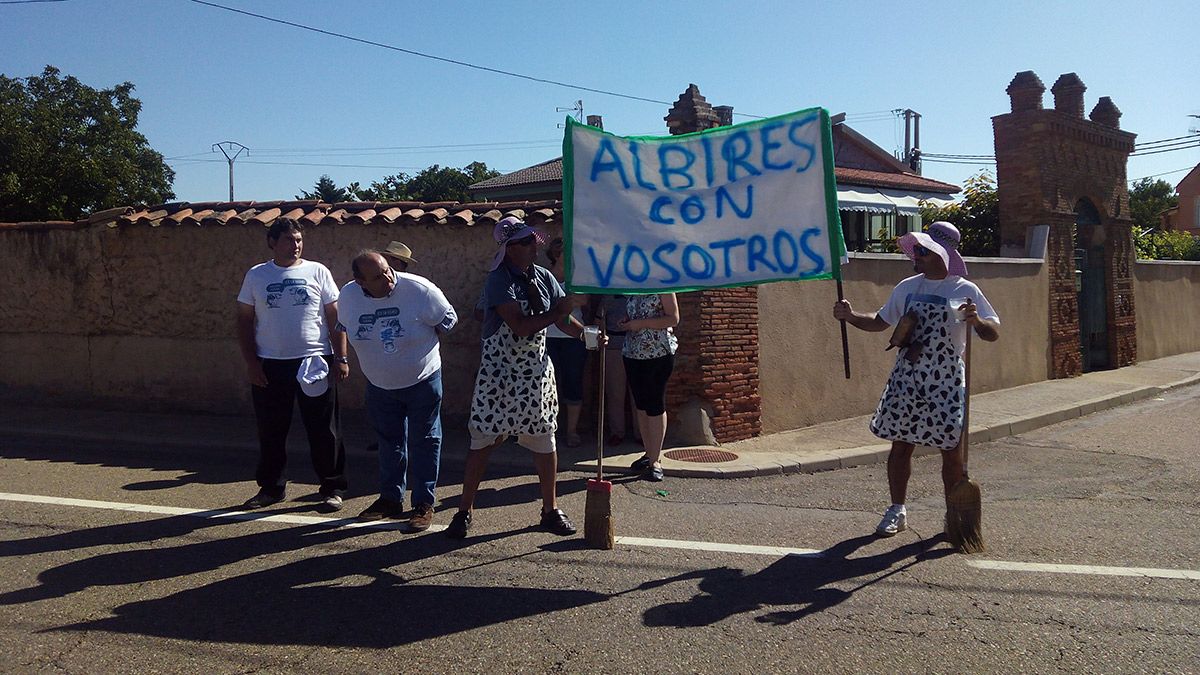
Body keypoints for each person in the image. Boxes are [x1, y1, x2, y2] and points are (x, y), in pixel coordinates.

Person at [832, 222, 1000, 537]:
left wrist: (976, 320)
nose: (916, 256)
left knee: (951, 450)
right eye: (917, 250)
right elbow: (880, 322)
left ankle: (955, 516)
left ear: (941, 254)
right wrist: (852, 316)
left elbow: (992, 333)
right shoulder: (908, 286)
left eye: (922, 251)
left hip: (946, 381)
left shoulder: (965, 290)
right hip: (908, 376)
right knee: (901, 445)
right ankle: (897, 510)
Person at [446, 216, 602, 539]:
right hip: (499, 376)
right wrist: (560, 311)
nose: (534, 245)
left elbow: (563, 322)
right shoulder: (498, 281)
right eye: (527, 241)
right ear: (510, 248)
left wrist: (588, 336)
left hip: (534, 375)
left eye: (533, 239)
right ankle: (464, 510)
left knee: (545, 441)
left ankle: (549, 509)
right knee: (483, 441)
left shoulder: (544, 277)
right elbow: (520, 325)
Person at [337, 250, 457, 531]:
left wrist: (415, 347)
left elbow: (449, 321)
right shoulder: (349, 296)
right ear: (360, 281)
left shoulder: (419, 289)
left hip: (423, 380)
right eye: (378, 277)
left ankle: (423, 504)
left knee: (425, 440)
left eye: (388, 270)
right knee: (389, 442)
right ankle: (390, 499)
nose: (389, 279)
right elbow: (343, 326)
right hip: (379, 384)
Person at [236, 218, 349, 512]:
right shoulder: (257, 275)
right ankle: (272, 488)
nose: (294, 245)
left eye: (298, 240)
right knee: (271, 429)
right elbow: (245, 321)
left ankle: (332, 487)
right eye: (288, 240)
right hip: (271, 363)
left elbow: (336, 318)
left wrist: (341, 357)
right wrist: (251, 363)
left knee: (324, 429)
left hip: (314, 362)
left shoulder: (317, 272)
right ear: (272, 242)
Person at [620, 293, 680, 481]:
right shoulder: (632, 287)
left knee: (654, 404)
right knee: (641, 405)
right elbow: (635, 314)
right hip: (632, 351)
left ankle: (656, 461)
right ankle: (648, 453)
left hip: (658, 352)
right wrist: (627, 322)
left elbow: (673, 318)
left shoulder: (663, 285)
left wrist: (641, 324)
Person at [544, 238, 587, 447]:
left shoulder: (576, 276)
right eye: (564, 253)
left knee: (573, 382)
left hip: (573, 337)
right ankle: (547, 428)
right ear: (556, 255)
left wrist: (560, 302)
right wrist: (566, 300)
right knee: (547, 384)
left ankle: (571, 431)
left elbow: (583, 299)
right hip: (547, 336)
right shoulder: (544, 276)